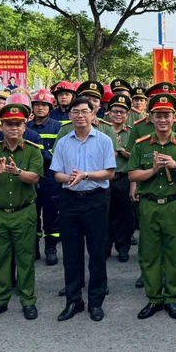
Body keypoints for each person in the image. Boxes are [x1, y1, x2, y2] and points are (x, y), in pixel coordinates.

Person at [128, 93, 176, 320]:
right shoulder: (142, 144)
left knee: (173, 253)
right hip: (149, 205)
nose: (162, 120)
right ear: (151, 117)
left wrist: (175, 165)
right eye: (158, 115)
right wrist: (153, 170)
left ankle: (171, 298)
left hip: (174, 205)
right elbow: (132, 174)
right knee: (149, 253)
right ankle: (153, 298)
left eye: (167, 115)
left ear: (175, 117)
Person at [50, 96, 117, 322]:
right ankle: (74, 301)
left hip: (95, 200)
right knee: (71, 254)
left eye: (84, 111)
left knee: (97, 253)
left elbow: (110, 173)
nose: (80, 115)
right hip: (69, 199)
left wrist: (86, 175)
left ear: (93, 114)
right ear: (69, 116)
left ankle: (96, 302)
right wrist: (69, 178)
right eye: (75, 112)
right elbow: (56, 173)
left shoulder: (104, 140)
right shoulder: (64, 142)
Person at [0, 103, 44, 321]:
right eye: (9, 124)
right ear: (1, 126)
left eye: (18, 124)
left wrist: (16, 171)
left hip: (24, 211)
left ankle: (28, 300)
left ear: (24, 127)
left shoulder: (33, 150)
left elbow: (34, 178)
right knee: (1, 259)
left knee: (25, 259)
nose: (14, 128)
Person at [26, 89, 63, 265]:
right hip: (31, 177)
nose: (40, 108)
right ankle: (33, 248)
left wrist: (41, 155)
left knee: (51, 214)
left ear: (50, 107)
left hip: (50, 177)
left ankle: (51, 248)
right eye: (37, 104)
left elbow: (60, 152)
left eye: (44, 105)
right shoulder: (25, 127)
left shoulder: (58, 127)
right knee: (32, 215)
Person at [104, 93, 134, 262]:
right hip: (105, 178)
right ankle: (105, 245)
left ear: (127, 114)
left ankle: (123, 247)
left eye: (122, 112)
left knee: (124, 215)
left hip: (123, 177)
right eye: (115, 111)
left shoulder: (131, 131)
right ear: (109, 112)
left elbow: (136, 156)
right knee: (105, 214)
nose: (118, 115)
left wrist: (120, 149)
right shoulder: (101, 129)